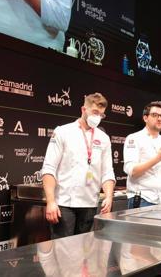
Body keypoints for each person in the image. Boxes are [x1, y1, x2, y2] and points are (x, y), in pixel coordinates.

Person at [41, 92, 116, 239]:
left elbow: (107, 172)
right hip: (64, 204)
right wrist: (50, 201)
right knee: (62, 252)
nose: (98, 117)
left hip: (90, 204)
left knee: (83, 254)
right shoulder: (63, 131)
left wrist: (108, 196)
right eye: (95, 112)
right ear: (84, 110)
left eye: (101, 115)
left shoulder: (104, 139)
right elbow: (49, 168)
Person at [123, 101, 161, 208]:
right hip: (143, 200)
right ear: (145, 118)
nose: (159, 119)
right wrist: (157, 159)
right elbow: (132, 171)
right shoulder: (134, 138)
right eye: (155, 115)